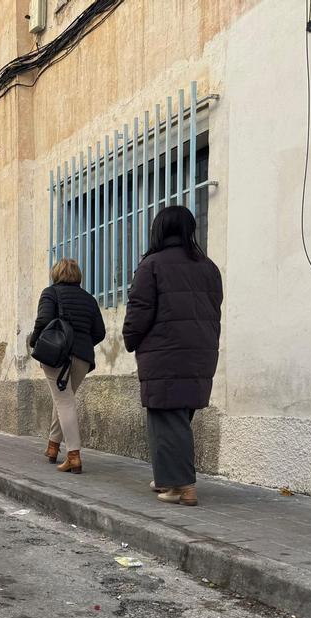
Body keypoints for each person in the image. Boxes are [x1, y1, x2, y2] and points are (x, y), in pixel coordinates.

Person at [123, 205, 223, 507]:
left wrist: (130, 338)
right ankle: (168, 476)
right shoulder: (209, 267)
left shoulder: (152, 265)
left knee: (166, 419)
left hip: (164, 353)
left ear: (159, 230)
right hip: (200, 354)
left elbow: (140, 309)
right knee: (178, 418)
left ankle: (184, 486)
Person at [28, 258, 106, 474]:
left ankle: (74, 455)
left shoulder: (50, 293)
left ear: (56, 274)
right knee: (64, 399)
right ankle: (53, 447)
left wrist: (34, 341)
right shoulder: (89, 299)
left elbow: (43, 320)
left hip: (56, 355)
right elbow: (100, 332)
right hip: (82, 357)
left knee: (64, 402)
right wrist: (82, 343)